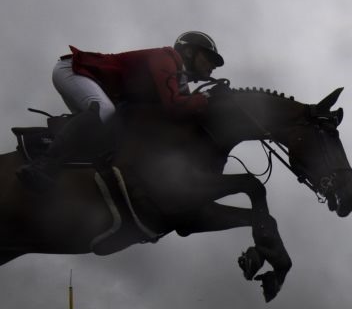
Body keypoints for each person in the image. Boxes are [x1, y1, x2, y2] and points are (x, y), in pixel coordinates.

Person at [16, 31, 225, 191]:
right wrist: (206, 98)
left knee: (105, 130)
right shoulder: (167, 57)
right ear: (189, 51)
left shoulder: (179, 80)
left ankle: (52, 144)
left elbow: (181, 112)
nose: (213, 66)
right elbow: (175, 106)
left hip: (88, 80)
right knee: (104, 112)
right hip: (72, 70)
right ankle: (43, 165)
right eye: (209, 58)